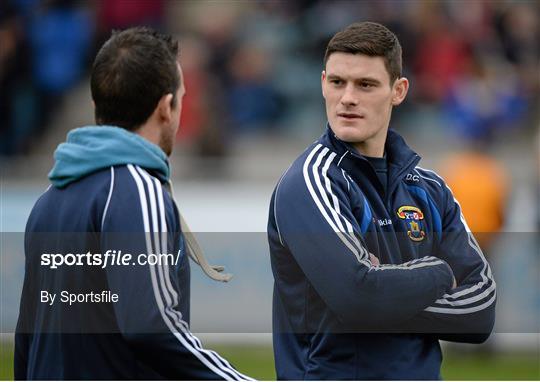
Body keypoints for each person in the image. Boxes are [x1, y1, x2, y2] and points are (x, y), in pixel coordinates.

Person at [15, 27, 252, 380]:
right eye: (182, 97)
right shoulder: (137, 190)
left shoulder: (50, 199)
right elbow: (152, 324)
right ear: (166, 107)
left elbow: (27, 340)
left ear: (97, 104)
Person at [267, 22, 496, 380]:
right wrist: (439, 272)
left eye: (366, 85)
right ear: (323, 82)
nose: (348, 98)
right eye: (337, 82)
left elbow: (481, 313)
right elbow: (359, 299)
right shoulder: (309, 183)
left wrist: (379, 294)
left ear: (398, 90)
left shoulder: (430, 189)